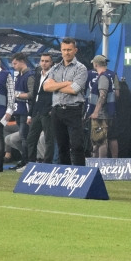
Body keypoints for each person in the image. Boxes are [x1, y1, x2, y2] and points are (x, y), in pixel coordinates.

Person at [43, 37, 88, 166]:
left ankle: (80, 174)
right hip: (57, 110)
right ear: (61, 51)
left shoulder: (81, 68)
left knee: (77, 145)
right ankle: (65, 173)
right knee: (62, 146)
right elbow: (46, 87)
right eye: (64, 50)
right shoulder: (55, 68)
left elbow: (74, 89)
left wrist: (56, 86)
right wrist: (65, 83)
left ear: (75, 50)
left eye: (69, 50)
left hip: (73, 109)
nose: (66, 52)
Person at [23, 53, 56, 166]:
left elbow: (56, 93)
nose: (44, 63)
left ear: (51, 62)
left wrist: (52, 108)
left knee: (48, 139)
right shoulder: (37, 74)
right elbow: (35, 95)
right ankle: (31, 163)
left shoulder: (54, 75)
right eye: (42, 61)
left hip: (47, 110)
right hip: (36, 110)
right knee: (31, 138)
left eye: (47, 61)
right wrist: (29, 114)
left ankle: (47, 163)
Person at [86, 54, 119, 159]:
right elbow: (116, 94)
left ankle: (101, 164)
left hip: (101, 115)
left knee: (100, 140)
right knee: (98, 140)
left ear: (95, 64)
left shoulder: (103, 77)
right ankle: (96, 162)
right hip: (107, 113)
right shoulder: (110, 75)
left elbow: (102, 95)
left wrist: (96, 111)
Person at [9, 54, 35, 168]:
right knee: (22, 136)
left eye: (15, 63)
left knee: (25, 137)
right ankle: (24, 160)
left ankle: (27, 161)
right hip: (18, 110)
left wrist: (17, 95)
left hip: (26, 110)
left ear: (22, 61)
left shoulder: (30, 75)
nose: (13, 66)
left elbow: (32, 94)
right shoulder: (19, 76)